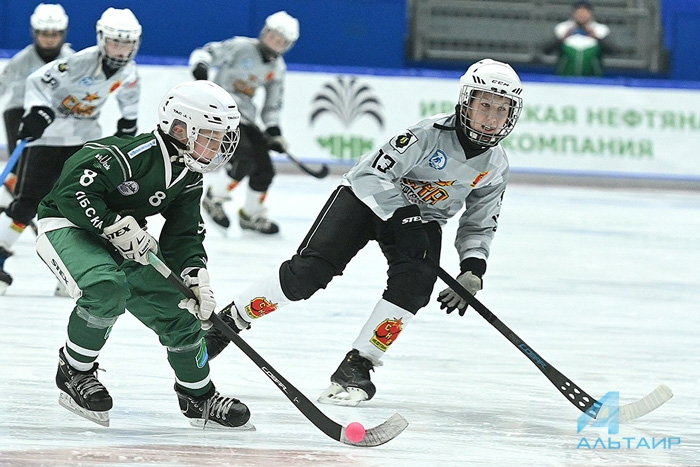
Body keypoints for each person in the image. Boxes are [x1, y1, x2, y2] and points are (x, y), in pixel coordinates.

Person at [202, 58, 525, 405]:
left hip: (422, 219)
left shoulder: (495, 165)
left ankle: (359, 363)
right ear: (466, 103)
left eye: (500, 109)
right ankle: (233, 319)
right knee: (306, 276)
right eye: (484, 106)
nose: (491, 118)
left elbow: (480, 221)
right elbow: (372, 174)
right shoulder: (427, 135)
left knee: (415, 286)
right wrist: (404, 214)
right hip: (363, 201)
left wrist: (473, 268)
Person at [35, 80, 250, 428]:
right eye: (211, 135)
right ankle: (74, 371)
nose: (220, 145)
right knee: (107, 288)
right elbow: (73, 191)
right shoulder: (131, 154)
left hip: (125, 239)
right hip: (67, 225)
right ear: (180, 128)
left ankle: (198, 396)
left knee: (181, 312)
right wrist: (112, 225)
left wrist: (196, 274)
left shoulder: (188, 175)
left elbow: (184, 233)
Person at [0, 7, 141, 294]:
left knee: (79, 205)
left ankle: (76, 268)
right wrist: (38, 111)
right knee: (27, 204)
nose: (120, 49)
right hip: (47, 139)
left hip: (83, 140)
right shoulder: (78, 62)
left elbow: (130, 91)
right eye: (115, 42)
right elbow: (37, 80)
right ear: (102, 39)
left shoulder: (129, 70)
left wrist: (129, 121)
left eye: (127, 43)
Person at [188, 11, 299, 234]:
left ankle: (251, 213)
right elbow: (207, 52)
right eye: (272, 36)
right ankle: (214, 198)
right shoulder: (240, 47)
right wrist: (201, 66)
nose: (274, 43)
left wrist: (273, 131)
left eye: (280, 41)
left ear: (286, 46)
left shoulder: (277, 68)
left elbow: (272, 104)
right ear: (264, 32)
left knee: (265, 169)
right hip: (219, 111)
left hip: (245, 118)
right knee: (244, 156)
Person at [0, 4, 73, 211]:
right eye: (44, 33)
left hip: (55, 117)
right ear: (35, 33)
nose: (50, 38)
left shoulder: (72, 60)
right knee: (23, 162)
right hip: (20, 112)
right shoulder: (21, 61)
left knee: (49, 167)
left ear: (63, 33)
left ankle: (25, 194)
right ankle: (13, 192)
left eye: (55, 33)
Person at [543, 1, 613, 76]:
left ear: (591, 13)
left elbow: (611, 51)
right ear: (573, 13)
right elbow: (546, 50)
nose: (582, 15)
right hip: (565, 79)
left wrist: (596, 38)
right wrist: (563, 38)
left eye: (585, 12)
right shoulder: (562, 28)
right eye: (579, 12)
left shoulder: (601, 29)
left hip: (593, 81)